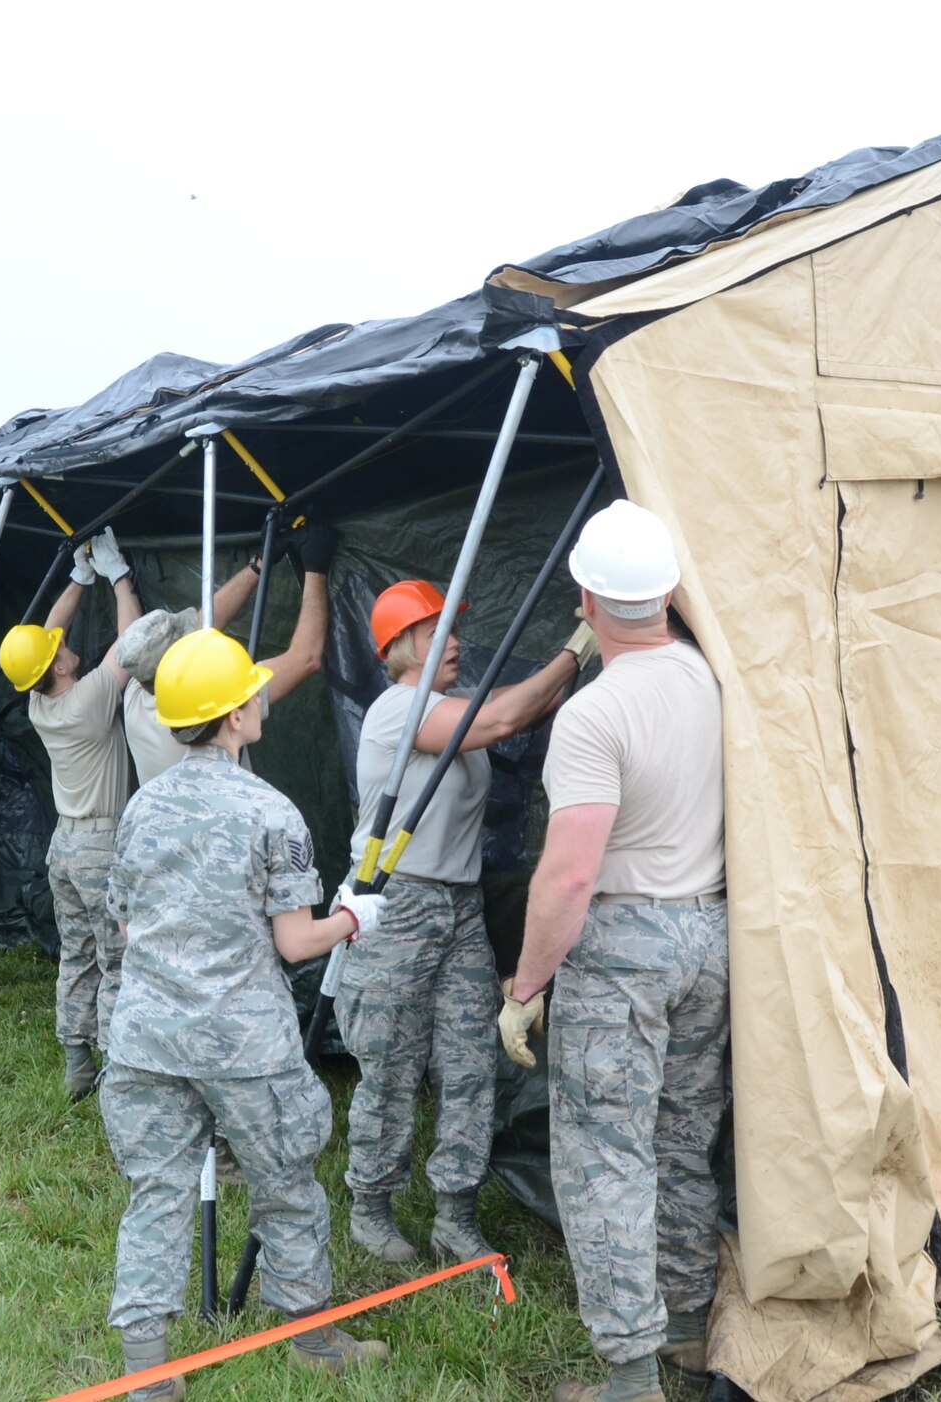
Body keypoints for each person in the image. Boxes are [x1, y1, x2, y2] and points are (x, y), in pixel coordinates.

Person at [101, 627, 388, 1398]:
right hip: (245, 1045)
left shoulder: (141, 807)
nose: (263, 697)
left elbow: (127, 926)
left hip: (147, 1040)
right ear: (234, 717)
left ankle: (149, 1377)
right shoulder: (272, 812)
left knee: (155, 1195)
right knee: (287, 1183)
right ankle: (314, 1340)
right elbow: (296, 943)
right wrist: (354, 920)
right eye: (252, 692)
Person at [500, 500, 727, 1402]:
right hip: (709, 934)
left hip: (625, 946)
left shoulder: (593, 717)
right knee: (682, 1142)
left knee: (605, 1156)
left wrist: (527, 984)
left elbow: (566, 879)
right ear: (670, 593)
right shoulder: (713, 678)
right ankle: (690, 1327)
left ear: (584, 600)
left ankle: (630, 1378)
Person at [337, 579, 596, 1265]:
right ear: (396, 647)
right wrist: (576, 650)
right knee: (391, 1063)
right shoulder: (399, 710)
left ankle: (455, 1212)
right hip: (397, 904)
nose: (453, 642)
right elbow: (505, 718)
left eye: (454, 630)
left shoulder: (456, 709)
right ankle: (371, 1205)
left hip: (458, 904)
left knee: (468, 1063)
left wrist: (581, 658)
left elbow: (528, 712)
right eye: (435, 631)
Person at [0, 528, 142, 1102]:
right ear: (58, 668)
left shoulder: (40, 700)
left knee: (77, 955)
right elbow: (131, 645)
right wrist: (119, 576)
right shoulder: (86, 701)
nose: (62, 641)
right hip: (101, 848)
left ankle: (77, 1064)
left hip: (65, 846)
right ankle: (113, 1070)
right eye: (57, 648)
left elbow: (45, 637)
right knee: (116, 961)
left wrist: (78, 580)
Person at [116, 520, 335, 787]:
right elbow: (305, 658)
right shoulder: (211, 699)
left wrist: (259, 565)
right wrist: (316, 568)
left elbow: (204, 623)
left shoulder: (135, 694)